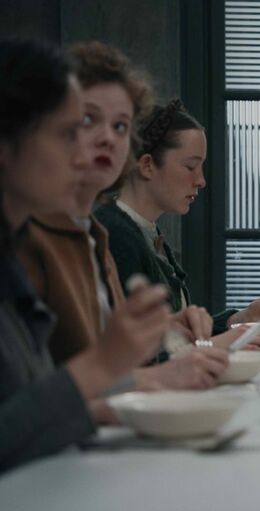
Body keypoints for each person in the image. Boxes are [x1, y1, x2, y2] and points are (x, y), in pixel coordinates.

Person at [15, 41, 230, 390]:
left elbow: (110, 357)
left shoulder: (93, 233)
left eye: (120, 127)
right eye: (86, 120)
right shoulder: (40, 236)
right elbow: (46, 391)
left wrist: (168, 330)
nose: (107, 138)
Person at [0, 38, 170, 472]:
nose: (84, 153)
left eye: (118, 127)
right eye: (69, 131)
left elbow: (32, 400)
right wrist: (106, 365)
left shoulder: (91, 232)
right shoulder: (32, 242)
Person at [94, 99, 260, 348]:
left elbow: (174, 333)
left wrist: (241, 318)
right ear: (147, 165)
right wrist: (221, 344)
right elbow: (135, 355)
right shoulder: (115, 236)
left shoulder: (144, 230)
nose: (201, 180)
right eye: (191, 166)